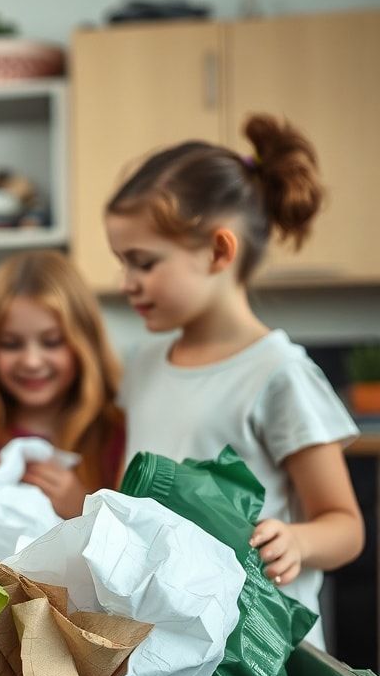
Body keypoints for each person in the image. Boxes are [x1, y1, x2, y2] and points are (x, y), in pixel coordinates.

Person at [104, 113, 363, 647]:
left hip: (257, 646)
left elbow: (345, 525)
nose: (126, 282)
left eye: (143, 262)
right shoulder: (144, 364)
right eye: (121, 262)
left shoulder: (278, 374)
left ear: (220, 251)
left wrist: (298, 540)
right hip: (171, 634)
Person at [0, 250, 124, 517]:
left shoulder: (113, 434)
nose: (31, 361)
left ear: (85, 345)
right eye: (11, 344)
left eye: (52, 342)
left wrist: (83, 510)